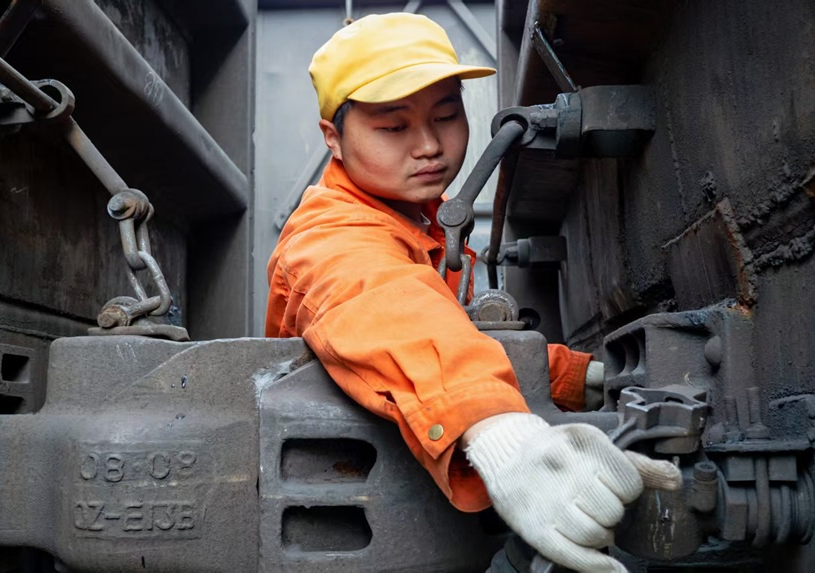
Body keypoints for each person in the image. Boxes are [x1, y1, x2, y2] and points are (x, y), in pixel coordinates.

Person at [265, 12, 680, 572]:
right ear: (333, 138)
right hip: (339, 522)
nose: (430, 146)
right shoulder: (330, 234)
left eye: (447, 114)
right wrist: (500, 431)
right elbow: (384, 307)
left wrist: (581, 378)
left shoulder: (414, 220)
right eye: (393, 128)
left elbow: (446, 329)